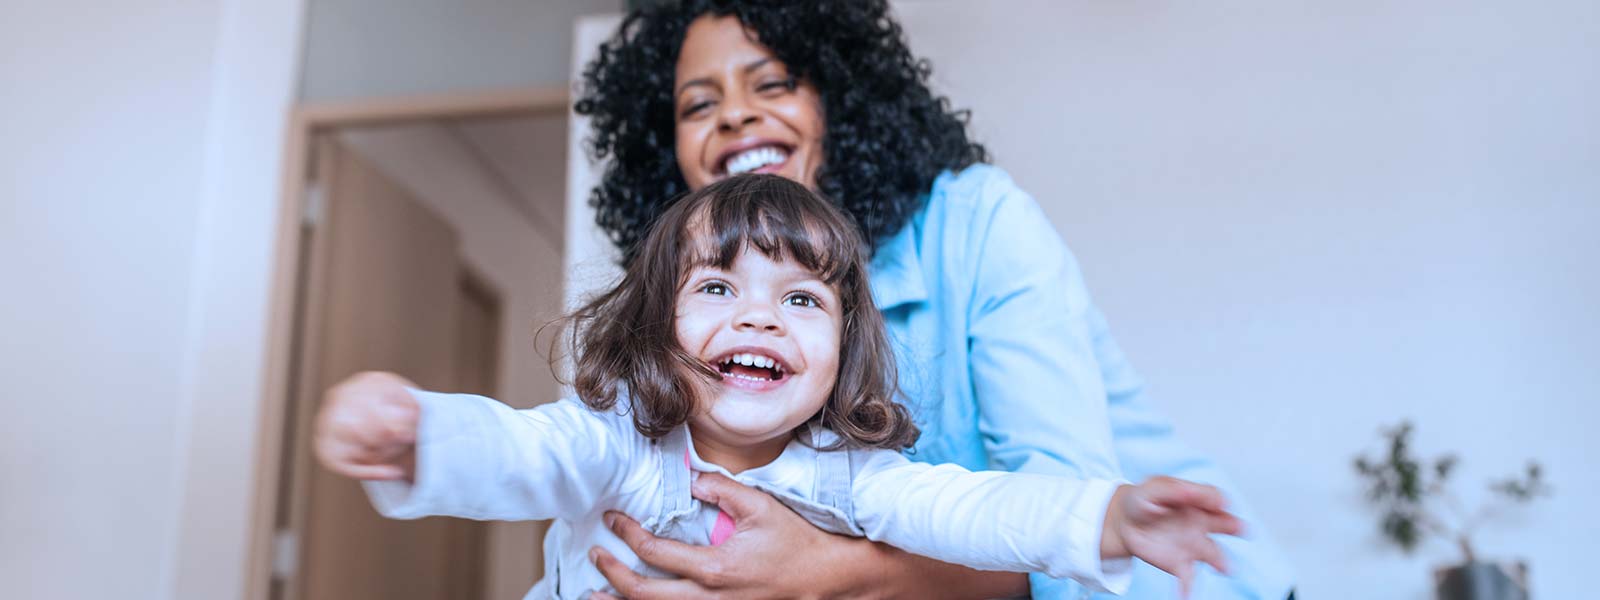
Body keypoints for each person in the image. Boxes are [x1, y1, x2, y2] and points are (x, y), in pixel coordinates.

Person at [558, 1, 1298, 598]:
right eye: (698, 105)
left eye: (774, 83)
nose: (735, 116)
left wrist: (830, 573)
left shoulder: (979, 222)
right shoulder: (698, 323)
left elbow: (1062, 554)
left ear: (839, 101)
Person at [316, 175, 1243, 600]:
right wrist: (419, 439)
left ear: (843, 349)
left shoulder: (855, 479)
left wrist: (1110, 519)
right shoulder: (619, 440)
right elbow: (523, 451)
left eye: (799, 299)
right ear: (655, 324)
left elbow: (981, 510)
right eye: (717, 288)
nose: (758, 318)